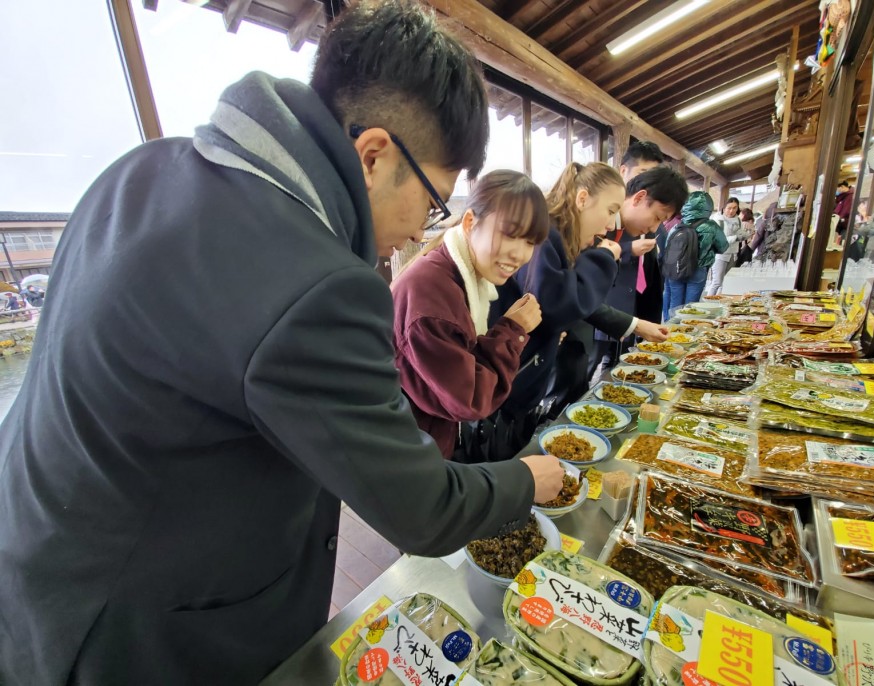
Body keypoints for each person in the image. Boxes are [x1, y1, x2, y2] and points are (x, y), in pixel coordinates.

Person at [0, 3, 565, 684]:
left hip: (36, 560)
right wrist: (527, 479)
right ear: (375, 154)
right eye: (433, 199)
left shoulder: (143, 169)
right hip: (137, 632)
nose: (422, 228)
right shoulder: (316, 282)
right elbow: (421, 507)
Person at [495, 164, 679, 425]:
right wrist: (604, 257)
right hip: (512, 374)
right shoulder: (548, 235)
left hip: (526, 370)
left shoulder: (564, 235)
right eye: (610, 211)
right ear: (582, 199)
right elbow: (557, 304)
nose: (607, 226)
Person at [392, 170, 549, 459]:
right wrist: (513, 331)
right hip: (407, 457)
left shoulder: (457, 273)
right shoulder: (431, 295)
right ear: (469, 222)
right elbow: (471, 399)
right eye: (510, 234)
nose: (520, 254)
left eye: (530, 242)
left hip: (425, 441)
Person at [591, 141, 666, 374]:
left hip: (631, 301)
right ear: (624, 171)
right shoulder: (603, 218)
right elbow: (596, 257)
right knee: (590, 360)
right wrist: (627, 249)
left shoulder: (649, 214)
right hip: (603, 305)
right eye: (644, 173)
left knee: (620, 362)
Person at [664, 191, 728, 313]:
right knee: (691, 306)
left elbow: (667, 248)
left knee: (675, 303)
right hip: (698, 269)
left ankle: (670, 329)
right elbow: (723, 247)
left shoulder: (677, 227)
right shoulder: (711, 226)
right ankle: (687, 329)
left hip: (676, 270)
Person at [706, 197, 752, 296]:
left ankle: (718, 303)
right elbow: (718, 239)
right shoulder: (718, 219)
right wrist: (735, 237)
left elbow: (739, 232)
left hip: (733, 253)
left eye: (734, 208)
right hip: (720, 254)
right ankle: (708, 302)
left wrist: (747, 233)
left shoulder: (738, 220)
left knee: (726, 282)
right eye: (729, 208)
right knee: (717, 282)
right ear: (724, 207)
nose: (731, 211)